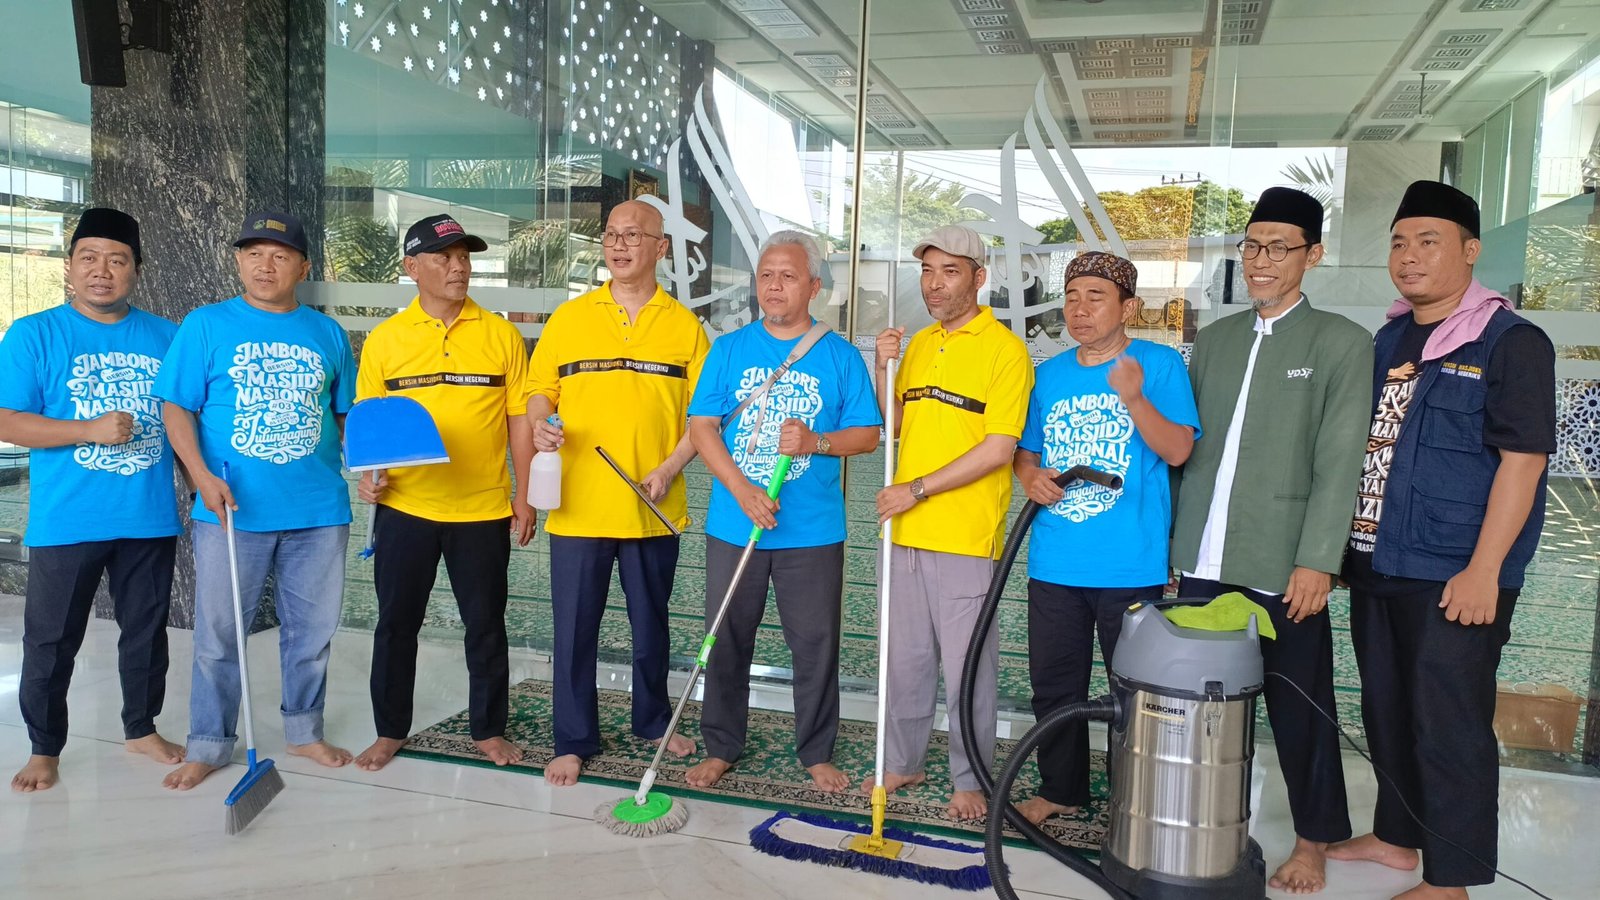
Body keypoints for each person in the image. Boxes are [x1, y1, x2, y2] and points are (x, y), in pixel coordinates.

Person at [1327, 182, 1554, 900]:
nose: (1410, 255)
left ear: (1470, 250)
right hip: (1378, 559)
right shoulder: (1391, 337)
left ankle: (1451, 879)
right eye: (1399, 241)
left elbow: (1523, 463)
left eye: (1429, 240)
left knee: (1448, 724)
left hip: (1455, 572)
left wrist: (1485, 569)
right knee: (1386, 707)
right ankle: (1398, 838)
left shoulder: (1512, 342)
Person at [1170, 186, 1373, 894]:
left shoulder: (1342, 343)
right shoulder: (1216, 341)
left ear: (1312, 256)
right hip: (1203, 558)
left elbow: (1340, 459)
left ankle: (1314, 841)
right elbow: (1189, 449)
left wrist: (1319, 560)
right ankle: (1200, 823)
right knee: (1205, 708)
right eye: (1252, 245)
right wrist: (1173, 549)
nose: (1260, 260)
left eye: (1278, 247)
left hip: (1284, 563)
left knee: (1300, 708)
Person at [156, 212, 358, 790]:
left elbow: (345, 417)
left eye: (280, 255)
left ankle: (304, 731)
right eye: (253, 253)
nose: (265, 265)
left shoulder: (327, 334)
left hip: (319, 510)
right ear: (239, 260)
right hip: (229, 510)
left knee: (311, 633)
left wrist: (372, 466)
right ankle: (209, 743)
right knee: (219, 637)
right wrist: (199, 477)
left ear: (303, 266)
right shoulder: (205, 325)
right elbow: (176, 408)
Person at [682, 231, 881, 793]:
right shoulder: (728, 349)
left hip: (812, 530)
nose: (773, 285)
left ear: (814, 286)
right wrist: (742, 489)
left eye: (788, 275)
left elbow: (867, 435)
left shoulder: (839, 356)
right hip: (733, 523)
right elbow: (701, 427)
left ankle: (816, 749)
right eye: (766, 274)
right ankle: (721, 744)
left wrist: (817, 442)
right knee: (724, 638)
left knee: (815, 643)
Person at [525, 199, 709, 787]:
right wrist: (537, 421)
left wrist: (672, 467)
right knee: (574, 626)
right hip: (578, 503)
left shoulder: (686, 327)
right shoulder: (570, 318)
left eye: (633, 235)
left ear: (661, 248)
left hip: (653, 503)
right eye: (611, 234)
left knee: (651, 622)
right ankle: (573, 739)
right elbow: (540, 389)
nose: (619, 244)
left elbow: (704, 418)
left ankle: (652, 719)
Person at [1012, 251, 1199, 825]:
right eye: (1072, 298)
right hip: (1056, 560)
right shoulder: (1049, 374)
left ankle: (1133, 798)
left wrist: (1134, 397)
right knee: (1055, 686)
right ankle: (1062, 788)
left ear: (1129, 307)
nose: (1080, 309)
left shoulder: (1160, 365)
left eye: (1096, 298)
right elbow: (1026, 454)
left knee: (1135, 694)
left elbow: (1178, 450)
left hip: (1130, 564)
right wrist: (1031, 477)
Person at [1, 208, 184, 792]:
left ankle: (140, 727)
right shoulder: (34, 334)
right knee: (52, 640)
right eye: (89, 258)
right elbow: (7, 420)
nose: (102, 271)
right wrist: (86, 429)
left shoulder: (166, 336)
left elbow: (187, 421)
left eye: (117, 259)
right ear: (69, 268)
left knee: (146, 631)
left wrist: (207, 477)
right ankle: (44, 747)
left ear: (136, 270)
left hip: (147, 514)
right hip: (68, 517)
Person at [352, 214, 535, 771]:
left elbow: (520, 422)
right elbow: (371, 426)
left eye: (464, 257)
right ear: (412, 268)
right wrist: (371, 475)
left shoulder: (500, 334)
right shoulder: (385, 340)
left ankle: (488, 729)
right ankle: (389, 730)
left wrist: (524, 498)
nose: (458, 267)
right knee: (395, 623)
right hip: (406, 508)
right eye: (443, 257)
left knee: (486, 624)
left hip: (482, 508)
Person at [867, 224, 1033, 821]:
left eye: (951, 272)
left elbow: (998, 448)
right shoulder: (917, 344)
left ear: (979, 277)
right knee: (905, 658)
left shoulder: (1004, 351)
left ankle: (972, 775)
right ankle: (904, 759)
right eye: (929, 272)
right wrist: (879, 366)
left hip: (963, 534)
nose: (935, 285)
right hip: (904, 532)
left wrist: (915, 490)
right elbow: (897, 425)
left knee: (968, 668)